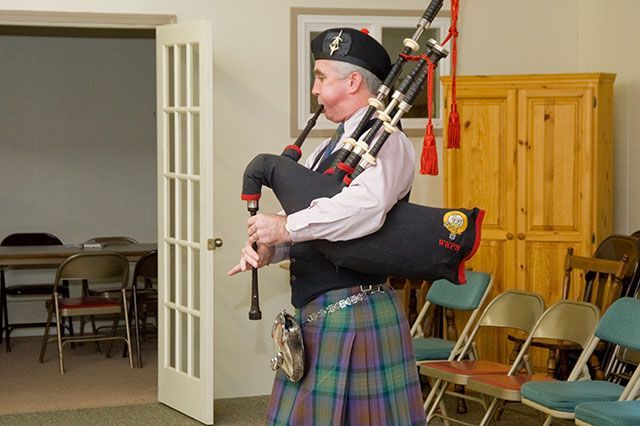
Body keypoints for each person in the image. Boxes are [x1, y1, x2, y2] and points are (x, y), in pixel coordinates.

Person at [228, 27, 426, 425]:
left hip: (358, 313)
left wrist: (284, 229)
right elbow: (317, 224)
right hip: (320, 314)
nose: (315, 90)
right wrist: (273, 249)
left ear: (353, 82)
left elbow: (363, 209)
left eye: (321, 78)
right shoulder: (326, 148)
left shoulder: (388, 142)